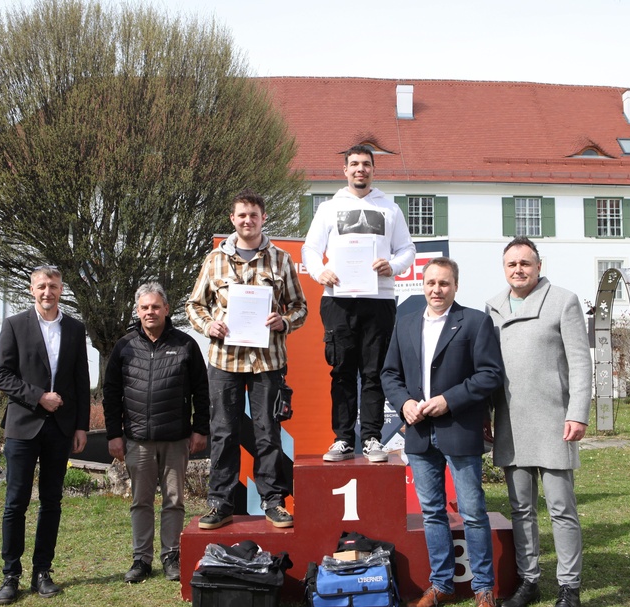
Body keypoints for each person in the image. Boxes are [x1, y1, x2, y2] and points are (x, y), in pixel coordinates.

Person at [381, 257, 504, 607]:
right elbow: (390, 374)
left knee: (472, 511)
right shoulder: (404, 324)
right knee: (432, 512)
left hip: (459, 429)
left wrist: (449, 400)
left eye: (444, 283)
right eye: (431, 282)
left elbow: (490, 375)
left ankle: (483, 588)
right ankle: (441, 585)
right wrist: (404, 402)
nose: (437, 289)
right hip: (419, 433)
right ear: (422, 284)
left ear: (456, 286)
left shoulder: (476, 323)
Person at [186, 188, 307, 529]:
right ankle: (220, 503)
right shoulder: (214, 261)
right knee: (223, 433)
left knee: (267, 433)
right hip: (225, 360)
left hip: (268, 363)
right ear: (232, 219)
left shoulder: (281, 259)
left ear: (263, 218)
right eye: (241, 215)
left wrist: (284, 321)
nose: (248, 221)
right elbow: (194, 305)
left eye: (254, 215)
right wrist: (209, 325)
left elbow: (301, 308)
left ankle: (273, 501)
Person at [485, 237, 592, 607]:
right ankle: (529, 581)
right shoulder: (493, 308)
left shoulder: (564, 301)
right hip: (511, 424)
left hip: (555, 422)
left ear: (538, 265)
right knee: (521, 509)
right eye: (512, 264)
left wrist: (578, 411)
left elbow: (580, 362)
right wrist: (486, 417)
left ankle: (569, 587)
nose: (519, 269)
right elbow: (488, 370)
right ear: (504, 268)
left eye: (525, 263)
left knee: (562, 507)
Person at [302, 144, 416, 462]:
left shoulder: (390, 209)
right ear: (345, 170)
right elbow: (310, 249)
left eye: (365, 164)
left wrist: (391, 266)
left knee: (374, 371)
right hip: (338, 300)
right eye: (354, 164)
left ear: (373, 169)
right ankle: (342, 439)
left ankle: (371, 438)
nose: (359, 169)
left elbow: (407, 249)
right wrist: (319, 271)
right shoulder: (328, 208)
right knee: (340, 370)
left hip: (378, 299)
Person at [0, 266, 90, 604]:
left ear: (62, 289)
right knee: (15, 502)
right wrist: (38, 396)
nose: (48, 291)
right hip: (22, 427)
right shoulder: (15, 325)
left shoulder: (75, 329)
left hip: (60, 429)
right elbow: (1, 375)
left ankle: (42, 572)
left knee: (51, 501)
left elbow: (80, 381)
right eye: (42, 286)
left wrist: (81, 426)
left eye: (54, 286)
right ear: (32, 290)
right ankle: (10, 575)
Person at [103, 282, 210, 583]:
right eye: (144, 307)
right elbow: (111, 393)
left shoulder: (186, 344)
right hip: (138, 439)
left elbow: (202, 391)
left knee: (174, 501)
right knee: (141, 501)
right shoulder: (124, 346)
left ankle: (172, 556)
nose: (150, 312)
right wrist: (114, 434)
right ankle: (141, 560)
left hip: (177, 438)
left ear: (166, 309)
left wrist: (200, 429)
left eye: (155, 306)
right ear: (137, 311)